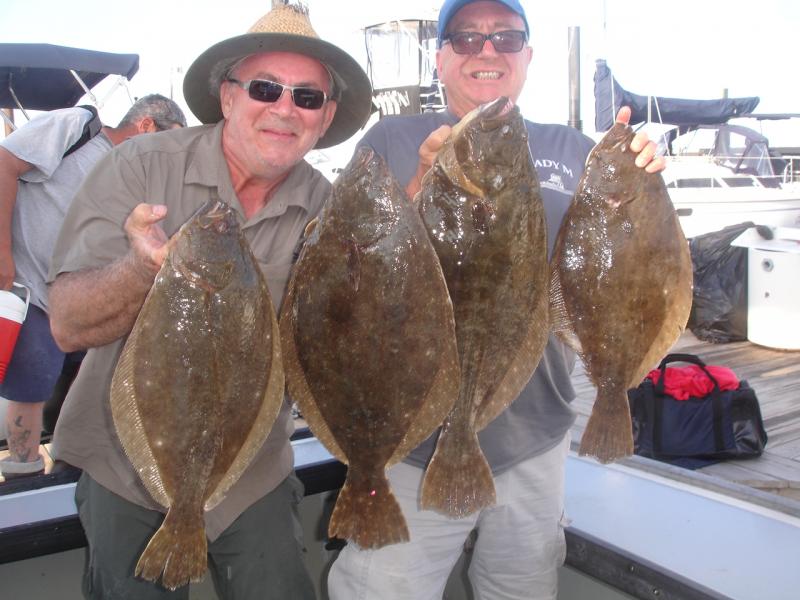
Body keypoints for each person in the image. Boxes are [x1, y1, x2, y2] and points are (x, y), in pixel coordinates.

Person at [327, 1, 665, 599]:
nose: (487, 51)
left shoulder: (576, 150)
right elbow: (350, 273)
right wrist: (419, 186)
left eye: (506, 38)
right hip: (411, 441)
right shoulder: (389, 140)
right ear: (440, 59)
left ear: (527, 56)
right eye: (466, 38)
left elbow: (621, 266)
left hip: (537, 438)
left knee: (522, 588)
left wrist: (645, 183)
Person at [45, 3, 371, 599]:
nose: (284, 108)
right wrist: (140, 270)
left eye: (306, 97)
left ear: (324, 118)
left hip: (253, 469)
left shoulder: (331, 210)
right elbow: (67, 324)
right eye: (265, 88)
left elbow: (339, 351)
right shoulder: (139, 167)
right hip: (127, 467)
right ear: (227, 96)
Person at [0, 94, 187, 479]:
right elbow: (4, 164)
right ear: (146, 126)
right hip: (33, 288)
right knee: (32, 378)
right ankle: (23, 470)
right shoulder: (75, 125)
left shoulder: (141, 179)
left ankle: (74, 465)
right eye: (170, 138)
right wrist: (2, 253)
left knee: (90, 385)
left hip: (88, 301)